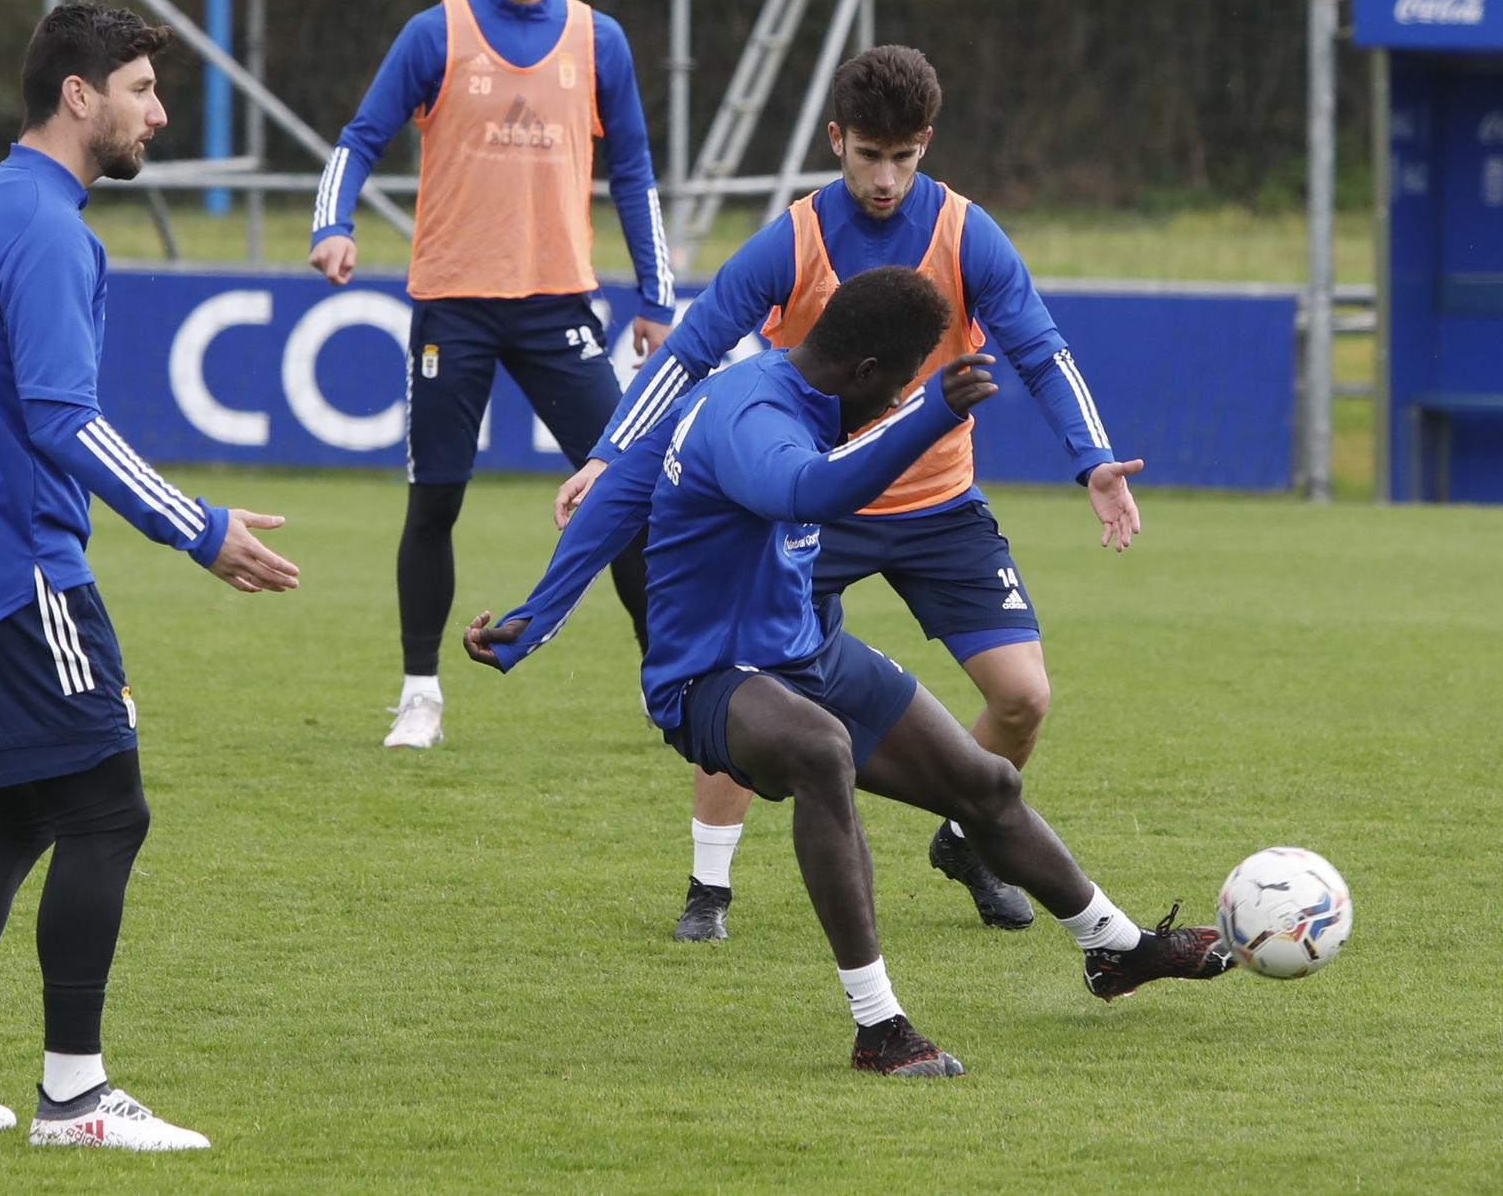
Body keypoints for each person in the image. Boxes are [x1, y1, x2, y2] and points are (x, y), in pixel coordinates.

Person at [464, 267, 1231, 1076]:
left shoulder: (773, 386)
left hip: (807, 649)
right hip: (708, 674)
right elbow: (805, 491)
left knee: (987, 786)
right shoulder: (752, 417)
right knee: (820, 749)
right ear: (866, 373)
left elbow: (624, 486)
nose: (898, 400)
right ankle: (878, 1026)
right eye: (898, 387)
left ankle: (1117, 950)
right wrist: (932, 413)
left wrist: (531, 616)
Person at [555, 45, 1142, 942]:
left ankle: (970, 838)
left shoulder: (965, 232)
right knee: (747, 678)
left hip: (939, 507)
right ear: (837, 139)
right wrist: (610, 450)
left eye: (904, 158)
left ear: (926, 145)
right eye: (869, 154)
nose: (885, 178)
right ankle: (708, 887)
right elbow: (692, 348)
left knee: (1024, 696)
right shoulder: (793, 238)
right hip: (807, 511)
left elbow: (1041, 347)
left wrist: (1092, 458)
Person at [0, 3, 300, 1151]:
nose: (157, 113)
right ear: (80, 96)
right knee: (109, 810)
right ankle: (75, 1097)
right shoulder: (55, 231)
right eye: (142, 90)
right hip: (19, 579)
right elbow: (67, 417)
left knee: (21, 811)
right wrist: (197, 526)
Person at [308, 0, 673, 750]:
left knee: (625, 490)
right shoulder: (436, 32)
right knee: (434, 503)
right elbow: (359, 139)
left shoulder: (600, 41)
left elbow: (634, 171)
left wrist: (656, 293)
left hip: (560, 306)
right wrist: (333, 223)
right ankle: (421, 694)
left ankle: (670, 680)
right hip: (455, 306)